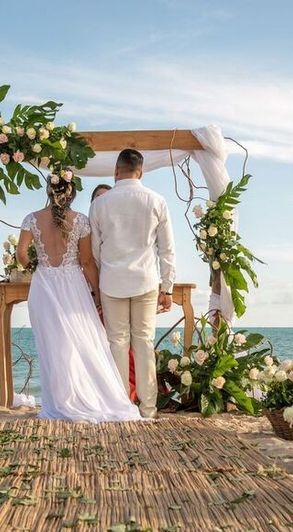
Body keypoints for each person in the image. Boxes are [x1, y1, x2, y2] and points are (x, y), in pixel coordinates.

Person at [16, 176, 141, 422]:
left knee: (52, 345)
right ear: (72, 194)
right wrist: (96, 291)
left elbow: (21, 253)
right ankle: (82, 395)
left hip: (44, 284)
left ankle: (60, 400)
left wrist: (37, 267)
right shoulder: (81, 221)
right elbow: (86, 262)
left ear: (49, 191)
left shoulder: (31, 219)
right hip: (73, 285)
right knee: (83, 341)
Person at [90, 149, 176, 419]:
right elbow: (167, 250)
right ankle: (148, 409)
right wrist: (168, 287)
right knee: (144, 343)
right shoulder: (156, 200)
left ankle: (121, 407)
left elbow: (94, 251)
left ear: (116, 171)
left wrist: (101, 277)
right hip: (146, 280)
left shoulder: (99, 205)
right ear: (141, 172)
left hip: (112, 281)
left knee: (116, 343)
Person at [90, 184, 137, 403]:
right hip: (92, 295)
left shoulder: (123, 232)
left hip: (118, 292)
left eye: (107, 198)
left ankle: (129, 391)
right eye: (98, 199)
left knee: (124, 341)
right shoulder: (86, 229)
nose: (103, 202)